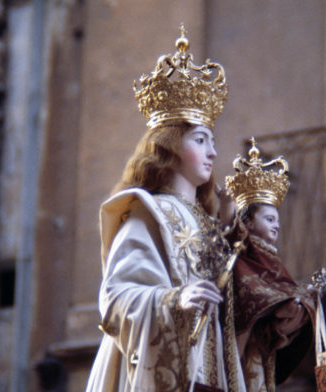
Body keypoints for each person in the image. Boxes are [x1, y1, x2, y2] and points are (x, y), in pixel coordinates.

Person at [86, 26, 247, 392]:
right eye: (201, 140)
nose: (213, 153)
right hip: (162, 370)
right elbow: (117, 297)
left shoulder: (211, 224)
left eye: (213, 141)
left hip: (212, 373)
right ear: (172, 146)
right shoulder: (147, 213)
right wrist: (174, 300)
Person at [225, 139, 317, 392]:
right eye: (269, 219)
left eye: (277, 219)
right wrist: (278, 304)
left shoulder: (271, 258)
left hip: (260, 352)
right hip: (241, 349)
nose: (276, 225)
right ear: (249, 223)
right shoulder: (244, 256)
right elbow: (249, 290)